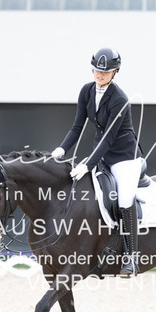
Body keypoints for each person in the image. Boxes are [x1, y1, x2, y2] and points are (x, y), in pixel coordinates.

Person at [51, 47, 142, 276]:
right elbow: (77, 126)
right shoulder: (86, 91)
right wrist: (62, 149)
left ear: (115, 72)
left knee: (124, 199)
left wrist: (87, 165)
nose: (99, 74)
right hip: (100, 155)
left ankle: (132, 257)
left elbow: (109, 138)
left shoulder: (120, 99)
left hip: (124, 157)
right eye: (96, 70)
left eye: (105, 71)